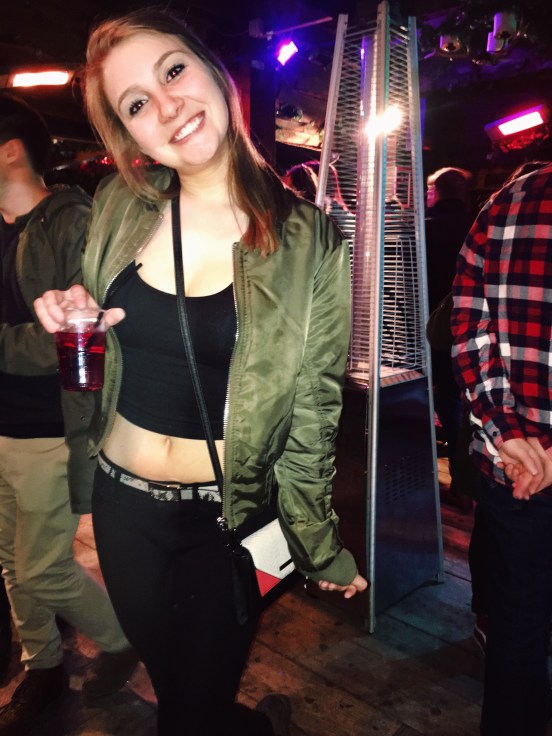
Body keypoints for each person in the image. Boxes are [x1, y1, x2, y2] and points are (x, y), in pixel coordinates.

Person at [34, 8, 368, 736]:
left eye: (174, 71)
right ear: (130, 136)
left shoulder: (309, 239)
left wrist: (317, 543)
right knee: (181, 691)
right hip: (123, 510)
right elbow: (98, 322)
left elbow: (314, 411)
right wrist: (72, 305)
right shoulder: (119, 205)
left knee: (188, 712)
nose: (166, 106)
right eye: (136, 105)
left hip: (225, 518)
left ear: (214, 70)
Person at [0, 94, 138, 735]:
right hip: (2, 424)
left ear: (9, 151)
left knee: (42, 566)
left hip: (46, 429)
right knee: (11, 560)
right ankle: (44, 666)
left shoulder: (70, 221)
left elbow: (83, 334)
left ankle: (125, 636)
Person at [451, 161, 552, 736]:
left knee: (518, 627)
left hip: (515, 468)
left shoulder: (508, 203)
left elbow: (468, 330)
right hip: (522, 462)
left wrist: (508, 432)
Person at [424, 166, 473, 508]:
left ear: (436, 192)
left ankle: (420, 476)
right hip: (469, 330)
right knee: (459, 403)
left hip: (428, 328)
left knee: (424, 400)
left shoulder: (425, 229)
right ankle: (463, 483)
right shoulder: (476, 226)